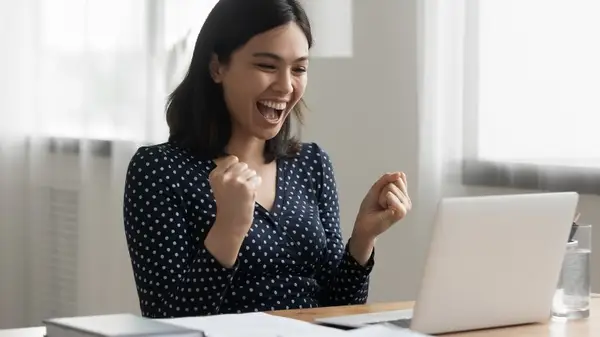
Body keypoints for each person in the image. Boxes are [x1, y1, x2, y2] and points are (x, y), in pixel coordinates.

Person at [123, 0, 412, 318]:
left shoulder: (311, 164)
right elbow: (166, 323)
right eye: (267, 66)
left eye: (299, 69)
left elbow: (339, 310)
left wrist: (362, 238)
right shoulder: (159, 171)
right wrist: (229, 229)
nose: (286, 85)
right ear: (217, 66)